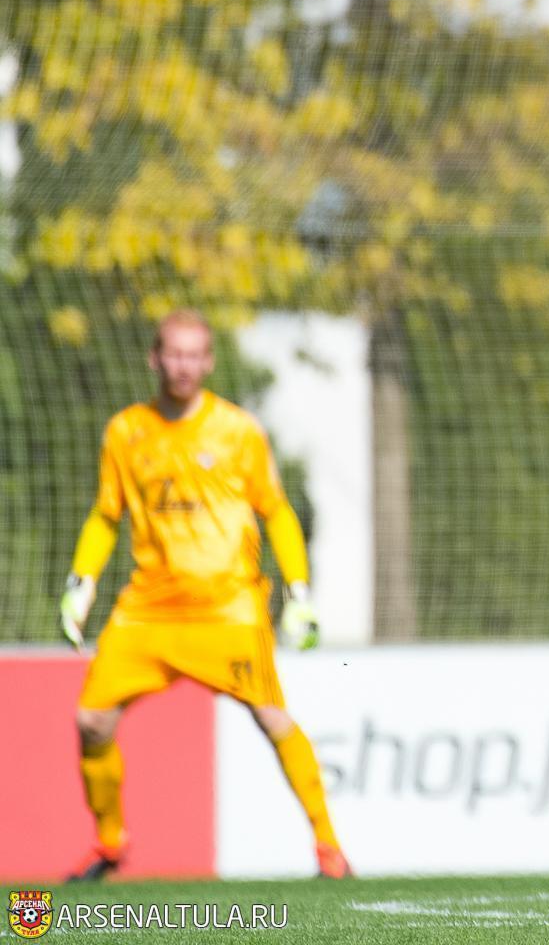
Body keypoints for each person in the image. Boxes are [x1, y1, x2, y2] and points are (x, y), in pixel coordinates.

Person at [57, 309, 351, 877]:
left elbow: (276, 511)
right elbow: (106, 515)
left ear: (209, 362)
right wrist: (81, 583)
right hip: (149, 608)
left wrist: (299, 592)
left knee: (271, 717)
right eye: (174, 353)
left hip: (228, 607)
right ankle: (110, 844)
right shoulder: (126, 431)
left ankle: (328, 847)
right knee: (91, 721)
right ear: (154, 358)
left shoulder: (238, 430)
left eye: (194, 355)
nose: (183, 365)